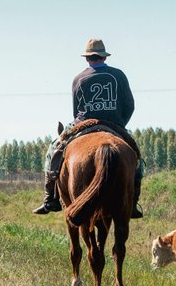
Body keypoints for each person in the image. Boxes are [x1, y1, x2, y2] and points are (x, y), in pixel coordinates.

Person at [33, 38, 144, 218]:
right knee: (137, 159)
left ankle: (50, 197)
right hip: (114, 124)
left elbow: (76, 110)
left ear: (87, 58)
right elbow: (130, 105)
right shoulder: (119, 75)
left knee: (54, 149)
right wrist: (119, 123)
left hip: (85, 123)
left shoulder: (78, 78)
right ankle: (133, 201)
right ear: (103, 56)